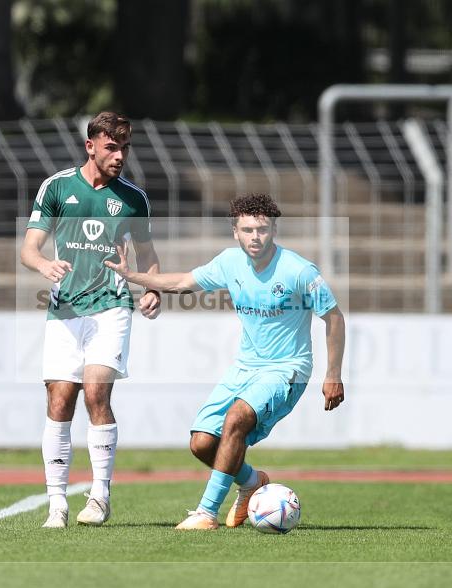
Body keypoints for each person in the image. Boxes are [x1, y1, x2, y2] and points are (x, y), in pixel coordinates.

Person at [104, 193, 345, 530]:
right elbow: (182, 282)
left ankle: (206, 514)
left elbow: (334, 318)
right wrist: (133, 275)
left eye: (262, 229)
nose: (255, 237)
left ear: (274, 230)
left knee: (236, 418)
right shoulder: (229, 262)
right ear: (235, 232)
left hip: (287, 369)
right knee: (202, 443)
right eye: (247, 230)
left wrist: (333, 374)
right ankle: (252, 482)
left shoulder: (299, 271)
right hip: (245, 368)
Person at [20, 111, 161, 528]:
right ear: (90, 146)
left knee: (97, 393)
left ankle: (100, 496)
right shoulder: (57, 187)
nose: (120, 156)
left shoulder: (133, 199)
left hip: (111, 305)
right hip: (64, 309)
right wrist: (44, 265)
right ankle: (57, 504)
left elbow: (147, 254)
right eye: (111, 147)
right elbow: (29, 249)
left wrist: (152, 288)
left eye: (125, 148)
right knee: (60, 399)